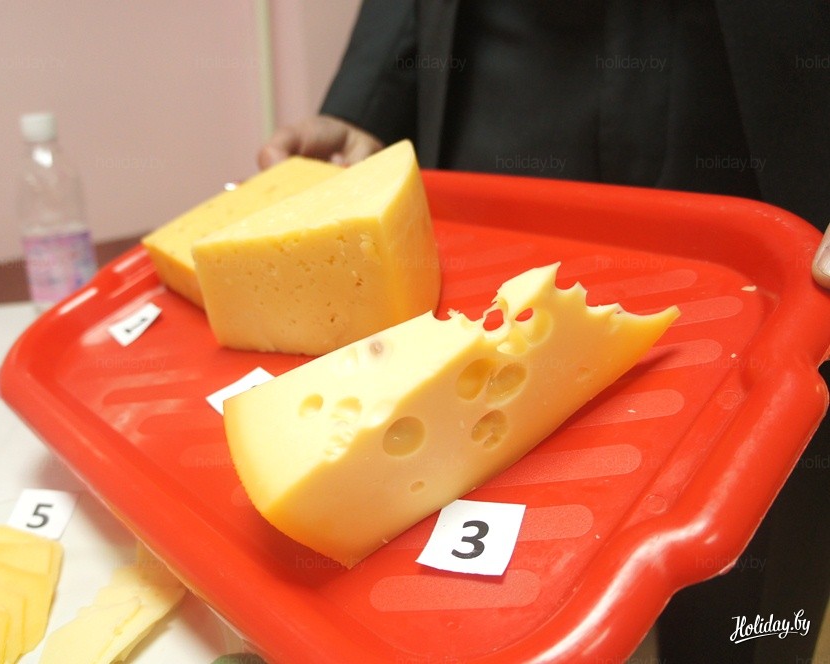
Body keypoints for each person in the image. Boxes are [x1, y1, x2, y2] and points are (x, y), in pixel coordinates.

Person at [258, 2, 830, 662]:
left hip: (769, 96)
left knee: (749, 567)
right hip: (507, 71)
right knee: (471, 550)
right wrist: (370, 103)